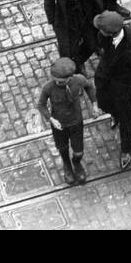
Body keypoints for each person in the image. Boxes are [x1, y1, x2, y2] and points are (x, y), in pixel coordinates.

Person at [92, 11, 131, 169]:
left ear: (112, 32)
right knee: (104, 103)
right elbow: (104, 52)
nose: (100, 32)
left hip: (125, 86)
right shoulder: (104, 36)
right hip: (105, 79)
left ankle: (126, 150)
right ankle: (114, 114)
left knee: (126, 118)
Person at [37, 57, 94, 185]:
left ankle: (76, 163)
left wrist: (94, 103)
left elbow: (89, 86)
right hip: (59, 126)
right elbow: (41, 105)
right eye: (56, 81)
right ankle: (67, 165)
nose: (58, 83)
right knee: (62, 148)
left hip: (76, 123)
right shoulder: (48, 87)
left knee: (79, 151)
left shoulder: (78, 80)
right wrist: (51, 119)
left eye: (61, 82)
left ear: (70, 78)